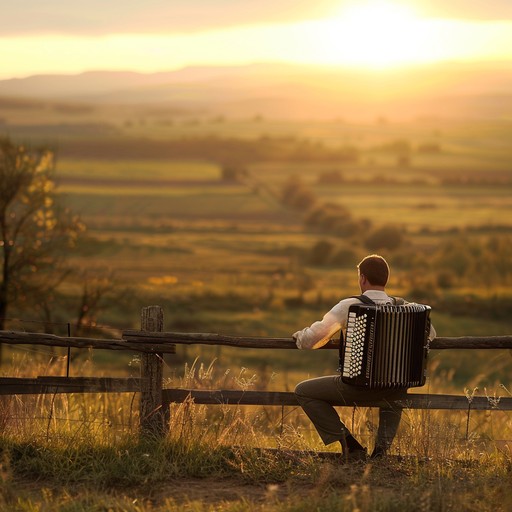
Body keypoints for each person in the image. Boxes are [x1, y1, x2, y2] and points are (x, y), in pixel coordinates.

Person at [292, 254, 436, 461]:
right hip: (394, 388)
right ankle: (380, 454)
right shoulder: (405, 307)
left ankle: (350, 445)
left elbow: (312, 340)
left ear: (362, 278)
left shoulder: (349, 305)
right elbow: (430, 334)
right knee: (397, 385)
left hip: (357, 388)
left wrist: (299, 336)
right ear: (386, 279)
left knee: (303, 391)